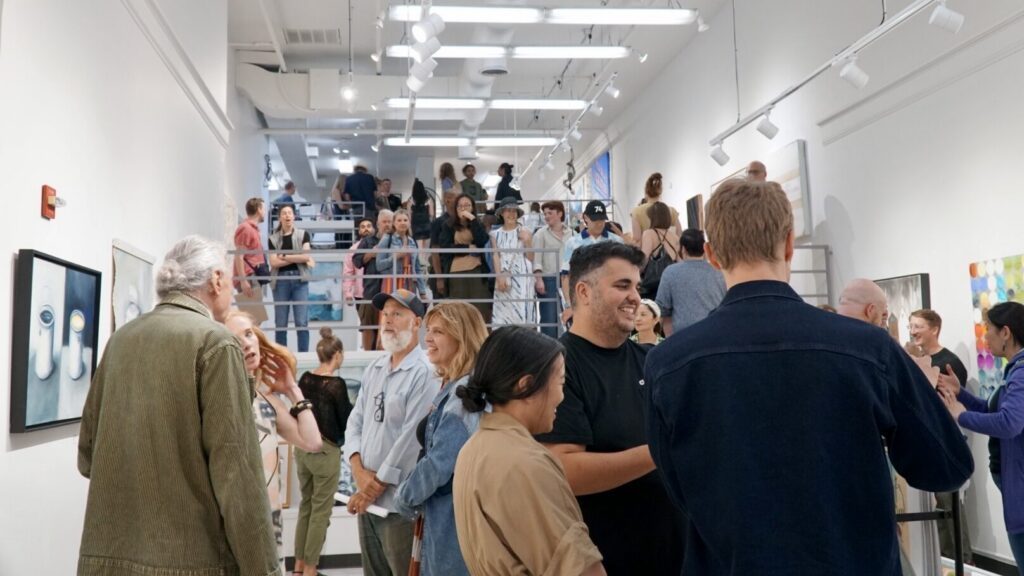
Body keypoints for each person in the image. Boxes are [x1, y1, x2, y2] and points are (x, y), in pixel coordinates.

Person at [645, 179, 974, 575]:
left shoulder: (668, 363)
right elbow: (946, 466)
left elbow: (678, 487)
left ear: (712, 256)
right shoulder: (868, 348)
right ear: (788, 245)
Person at [77, 236, 280, 575]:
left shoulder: (121, 340)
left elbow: (87, 457)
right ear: (216, 280)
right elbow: (237, 477)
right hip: (193, 562)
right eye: (229, 279)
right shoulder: (216, 344)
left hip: (108, 561)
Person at [538, 241, 685, 576]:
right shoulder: (557, 366)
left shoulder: (651, 361)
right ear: (584, 292)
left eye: (637, 286)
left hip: (672, 554)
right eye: (622, 285)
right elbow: (565, 471)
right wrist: (660, 451)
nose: (636, 296)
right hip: (605, 559)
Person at [453, 326, 606, 576]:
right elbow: (577, 569)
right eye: (560, 383)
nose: (562, 396)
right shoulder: (525, 462)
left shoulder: (474, 448)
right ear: (526, 386)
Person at [344, 289, 436, 576]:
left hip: (400, 506)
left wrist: (375, 484)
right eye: (385, 314)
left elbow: (411, 439)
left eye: (398, 314)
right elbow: (355, 421)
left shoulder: (425, 372)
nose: (388, 320)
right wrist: (357, 468)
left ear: (417, 322)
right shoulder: (375, 368)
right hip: (367, 501)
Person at [223, 311, 323, 565]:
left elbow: (312, 442)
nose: (246, 343)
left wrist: (292, 389)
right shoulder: (220, 398)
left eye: (248, 334)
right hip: (235, 522)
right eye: (236, 340)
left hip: (269, 519)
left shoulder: (266, 400)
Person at [395, 303, 488, 576]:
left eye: (439, 332)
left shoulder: (463, 392)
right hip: (445, 520)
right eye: (429, 331)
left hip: (452, 525)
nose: (428, 339)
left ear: (462, 337)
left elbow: (439, 462)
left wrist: (404, 497)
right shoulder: (454, 386)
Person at [938, 301, 1024, 573]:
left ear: (1006, 333)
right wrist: (960, 394)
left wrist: (960, 415)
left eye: (989, 330)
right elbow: (992, 409)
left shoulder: (1021, 373)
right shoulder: (1015, 370)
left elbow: (1009, 423)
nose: (985, 336)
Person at [909, 308, 973, 562]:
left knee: (950, 505)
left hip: (946, 441)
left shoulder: (949, 362)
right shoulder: (918, 359)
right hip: (928, 441)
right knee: (937, 506)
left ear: (934, 329)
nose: (913, 331)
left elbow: (949, 404)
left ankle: (962, 561)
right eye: (911, 326)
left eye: (918, 326)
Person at [291, 327, 354, 576]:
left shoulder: (305, 378)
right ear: (336, 354)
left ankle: (297, 567)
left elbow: (298, 411)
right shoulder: (336, 385)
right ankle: (310, 569)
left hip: (302, 450)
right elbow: (345, 420)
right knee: (320, 511)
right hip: (325, 452)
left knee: (306, 506)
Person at [559, 201, 624, 321]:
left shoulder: (616, 242)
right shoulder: (573, 243)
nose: (599, 224)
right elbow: (566, 275)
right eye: (595, 220)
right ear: (585, 218)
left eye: (602, 220)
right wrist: (569, 304)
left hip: (610, 298)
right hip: (583, 297)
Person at [654, 228, 726, 336]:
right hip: (716, 333)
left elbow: (661, 309)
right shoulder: (719, 271)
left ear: (683, 249)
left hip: (683, 337)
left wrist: (670, 340)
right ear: (704, 248)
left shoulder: (671, 272)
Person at [438, 193, 493, 323]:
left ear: (472, 207)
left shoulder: (477, 224)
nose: (463, 208)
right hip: (456, 272)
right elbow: (445, 248)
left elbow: (482, 241)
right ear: (455, 208)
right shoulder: (448, 225)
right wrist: (467, 248)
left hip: (477, 270)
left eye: (467, 205)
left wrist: (473, 220)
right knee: (459, 311)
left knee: (480, 310)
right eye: (460, 206)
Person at [268, 204, 314, 352]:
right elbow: (274, 262)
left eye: (290, 213)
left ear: (294, 216)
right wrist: (297, 257)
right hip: (280, 281)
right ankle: (282, 357)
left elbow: (306, 256)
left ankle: (304, 356)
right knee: (281, 323)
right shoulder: (273, 238)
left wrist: (286, 256)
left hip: (300, 280)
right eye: (284, 213)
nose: (287, 215)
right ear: (280, 217)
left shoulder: (303, 234)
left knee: (301, 322)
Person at [353, 210, 394, 351]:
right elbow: (356, 261)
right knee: (368, 327)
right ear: (378, 224)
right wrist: (371, 254)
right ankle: (367, 357)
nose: (387, 225)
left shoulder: (396, 241)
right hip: (371, 290)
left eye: (390, 221)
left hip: (391, 291)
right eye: (384, 222)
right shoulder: (367, 241)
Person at [492, 197, 535, 326]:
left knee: (521, 313)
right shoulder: (495, 234)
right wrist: (499, 275)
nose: (511, 214)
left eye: (514, 211)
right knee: (502, 315)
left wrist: (527, 241)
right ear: (502, 213)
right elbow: (496, 255)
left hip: (522, 276)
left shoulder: (525, 231)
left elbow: (530, 258)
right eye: (507, 211)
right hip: (504, 276)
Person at [533, 201, 567, 338]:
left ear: (560, 214)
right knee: (549, 317)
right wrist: (539, 280)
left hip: (567, 279)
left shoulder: (571, 232)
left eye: (550, 213)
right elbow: (537, 259)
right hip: (549, 279)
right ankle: (549, 352)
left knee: (567, 315)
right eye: (545, 213)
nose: (546, 216)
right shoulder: (540, 234)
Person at [377, 209, 428, 300]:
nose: (402, 223)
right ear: (394, 223)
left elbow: (417, 268)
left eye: (405, 220)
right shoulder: (387, 239)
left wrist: (422, 292)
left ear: (409, 223)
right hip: (392, 283)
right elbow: (379, 265)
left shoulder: (412, 241)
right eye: (399, 220)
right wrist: (396, 256)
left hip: (410, 284)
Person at [639, 201, 680, 299]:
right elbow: (679, 261)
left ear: (652, 218)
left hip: (654, 287)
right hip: (672, 283)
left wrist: (637, 273)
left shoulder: (649, 233)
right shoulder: (674, 236)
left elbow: (644, 258)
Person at [629, 172, 680, 244]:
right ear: (661, 191)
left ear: (645, 192)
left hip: (647, 252)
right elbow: (679, 236)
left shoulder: (637, 212)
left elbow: (637, 239)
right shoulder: (671, 211)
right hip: (670, 252)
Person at [234, 197, 267, 299]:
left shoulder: (253, 229)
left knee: (255, 313)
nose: (265, 212)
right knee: (252, 313)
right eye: (264, 209)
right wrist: (243, 281)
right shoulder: (246, 228)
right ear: (259, 209)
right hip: (249, 277)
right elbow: (239, 256)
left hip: (253, 276)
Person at [429, 188, 458, 299]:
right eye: (454, 197)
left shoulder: (463, 221)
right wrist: (439, 278)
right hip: (442, 268)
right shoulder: (438, 223)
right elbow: (435, 252)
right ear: (447, 200)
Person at [343, 218, 374, 307]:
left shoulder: (380, 245)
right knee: (363, 320)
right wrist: (348, 294)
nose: (366, 229)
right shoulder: (353, 250)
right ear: (359, 231)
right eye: (363, 227)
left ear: (373, 229)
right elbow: (348, 273)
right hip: (360, 293)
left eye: (369, 226)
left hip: (377, 291)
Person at [409, 179, 434, 258]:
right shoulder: (429, 200)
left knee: (419, 250)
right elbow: (431, 214)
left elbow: (409, 217)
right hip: (427, 225)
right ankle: (425, 268)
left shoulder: (410, 201)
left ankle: (419, 267)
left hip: (416, 227)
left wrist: (410, 230)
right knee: (426, 250)